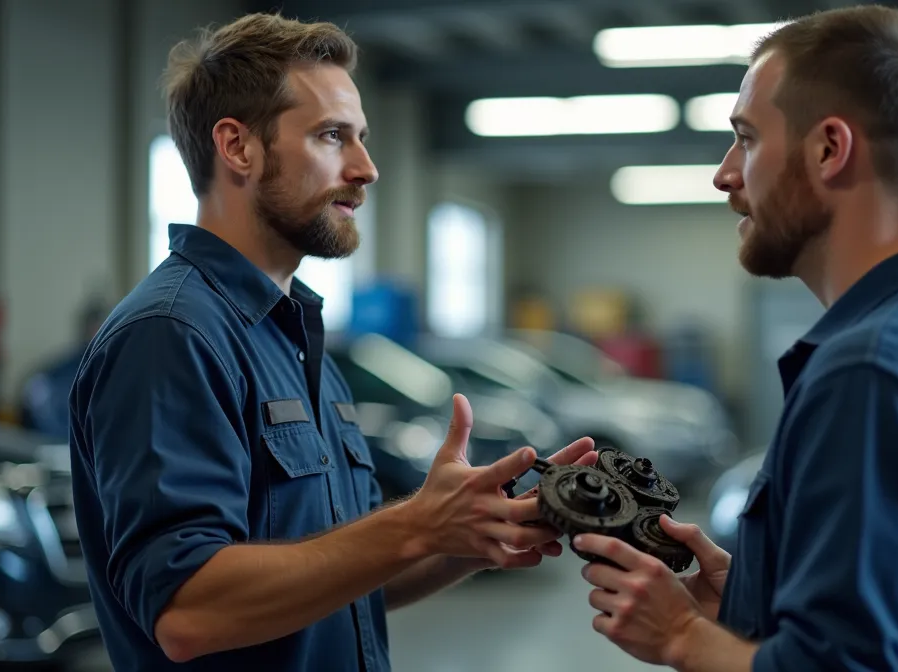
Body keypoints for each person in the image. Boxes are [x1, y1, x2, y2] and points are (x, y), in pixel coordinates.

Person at [68, 13, 597, 671]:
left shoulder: (296, 339)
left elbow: (344, 577)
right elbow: (187, 610)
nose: (367, 168)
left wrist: (468, 537)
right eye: (331, 136)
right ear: (237, 147)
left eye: (363, 138)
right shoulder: (171, 337)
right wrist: (412, 525)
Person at [573, 6, 898, 671]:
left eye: (746, 139)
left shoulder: (870, 372)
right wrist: (754, 604)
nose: (725, 174)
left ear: (829, 149)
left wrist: (683, 639)